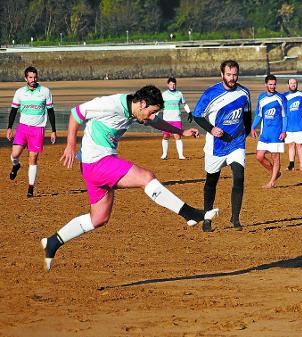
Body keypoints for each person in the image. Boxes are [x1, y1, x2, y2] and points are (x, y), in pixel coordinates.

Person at [40, 85, 218, 271]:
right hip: (97, 162)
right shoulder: (110, 104)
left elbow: (155, 121)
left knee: (98, 218)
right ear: (142, 104)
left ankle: (53, 242)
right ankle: (189, 214)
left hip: (95, 166)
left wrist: (180, 132)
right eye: (151, 112)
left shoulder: (136, 110)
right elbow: (76, 113)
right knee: (146, 177)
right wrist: (70, 145)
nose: (151, 116)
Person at [192, 60, 252, 231]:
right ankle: (207, 219)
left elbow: (247, 115)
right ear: (222, 74)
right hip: (215, 146)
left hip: (236, 143)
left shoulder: (244, 92)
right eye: (229, 75)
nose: (232, 78)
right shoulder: (210, 93)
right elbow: (197, 115)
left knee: (239, 176)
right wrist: (211, 129)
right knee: (211, 181)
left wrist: (244, 133)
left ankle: (235, 218)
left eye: (235, 75)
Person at [6, 66, 56, 198]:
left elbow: (50, 111)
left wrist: (53, 130)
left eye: (35, 77)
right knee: (15, 154)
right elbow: (13, 111)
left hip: (38, 129)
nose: (33, 80)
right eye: (30, 77)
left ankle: (30, 188)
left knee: (33, 158)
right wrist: (9, 128)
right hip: (23, 128)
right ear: (25, 78)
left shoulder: (45, 91)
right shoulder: (20, 92)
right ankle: (16, 166)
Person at [251, 74, 287, 188]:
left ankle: (272, 182)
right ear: (266, 84)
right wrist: (252, 127)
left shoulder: (281, 98)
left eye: (274, 84)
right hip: (264, 132)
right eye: (270, 84)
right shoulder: (261, 97)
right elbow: (258, 114)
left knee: (275, 157)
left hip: (276, 132)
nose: (272, 86)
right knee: (259, 156)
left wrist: (284, 131)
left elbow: (285, 116)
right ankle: (276, 173)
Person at [159, 77, 191, 160]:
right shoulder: (164, 94)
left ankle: (181, 155)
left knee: (177, 136)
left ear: (175, 85)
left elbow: (184, 104)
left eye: (174, 84)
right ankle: (164, 154)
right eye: (171, 84)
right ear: (168, 84)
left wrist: (189, 112)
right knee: (166, 136)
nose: (172, 86)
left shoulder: (179, 94)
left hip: (176, 119)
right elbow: (159, 106)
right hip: (166, 119)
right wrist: (154, 114)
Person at [283, 78, 302, 171]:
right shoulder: (284, 96)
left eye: (295, 83)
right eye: (291, 83)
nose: (293, 84)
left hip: (299, 125)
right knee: (291, 145)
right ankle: (291, 165)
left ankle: (301, 165)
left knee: (299, 145)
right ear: (288, 85)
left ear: (297, 84)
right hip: (288, 126)